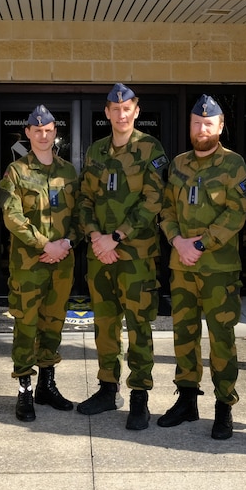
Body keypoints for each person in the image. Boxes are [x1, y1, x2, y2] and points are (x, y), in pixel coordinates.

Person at [158, 95, 246, 440]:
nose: (201, 129)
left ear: (220, 126)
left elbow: (236, 213)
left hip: (219, 270)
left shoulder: (233, 165)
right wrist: (177, 241)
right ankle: (186, 400)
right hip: (182, 266)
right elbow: (167, 209)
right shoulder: (179, 164)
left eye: (208, 124)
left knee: (221, 339)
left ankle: (224, 407)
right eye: (196, 123)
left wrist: (200, 243)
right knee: (183, 335)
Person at [76, 82, 169, 431]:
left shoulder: (150, 148)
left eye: (126, 107)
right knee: (104, 324)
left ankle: (140, 398)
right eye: (114, 109)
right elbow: (84, 198)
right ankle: (107, 389)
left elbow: (153, 200)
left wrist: (116, 237)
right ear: (107, 113)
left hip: (136, 256)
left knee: (138, 326)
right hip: (101, 254)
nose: (121, 113)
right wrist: (96, 237)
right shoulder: (96, 150)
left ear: (136, 110)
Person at [0, 105, 78, 421]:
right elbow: (11, 216)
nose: (43, 135)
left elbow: (80, 215)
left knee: (54, 322)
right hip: (28, 264)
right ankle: (24, 392)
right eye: (37, 130)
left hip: (62, 263)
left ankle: (47, 384)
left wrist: (66, 243)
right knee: (26, 325)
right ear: (28, 133)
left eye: (49, 130)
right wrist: (44, 244)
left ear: (55, 132)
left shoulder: (68, 172)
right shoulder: (16, 172)